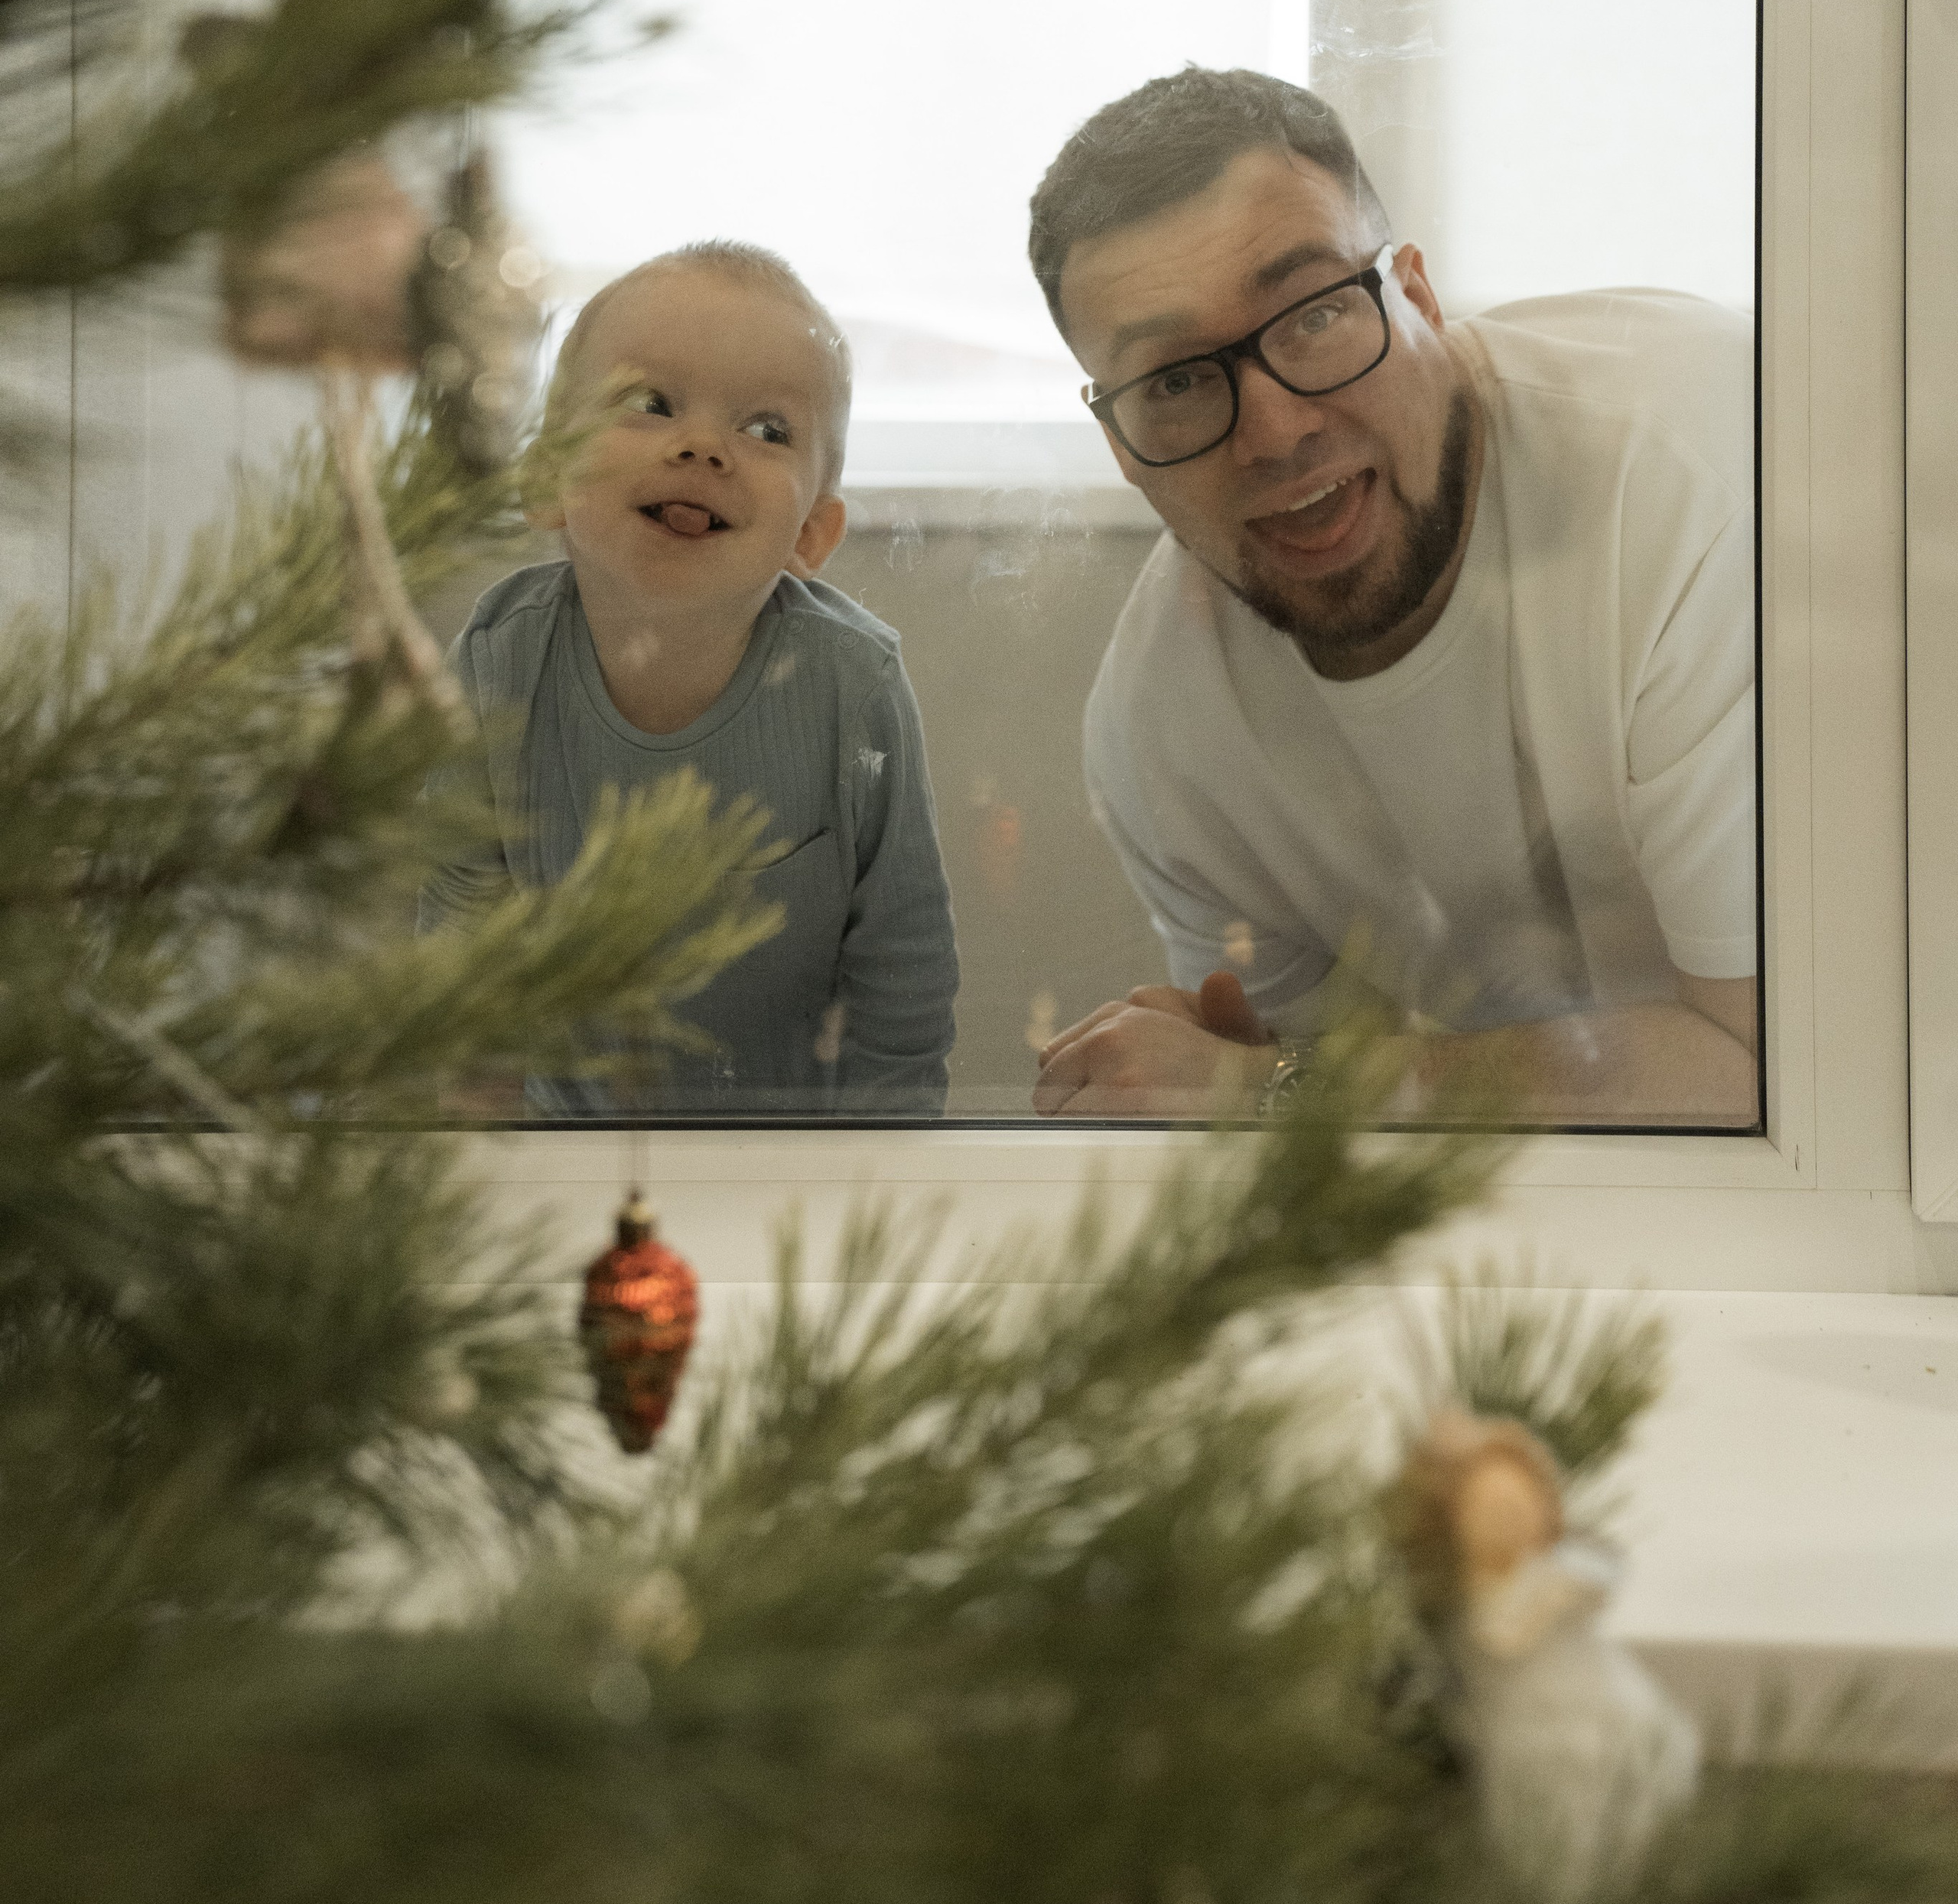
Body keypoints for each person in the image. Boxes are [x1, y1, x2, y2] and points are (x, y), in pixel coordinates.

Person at [1024, 69, 1757, 1128]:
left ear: (1416, 297)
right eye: (1177, 382)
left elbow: (1773, 1070)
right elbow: (1344, 1127)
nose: (1275, 432)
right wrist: (1269, 1080)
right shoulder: (1160, 733)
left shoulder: (1689, 474)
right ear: (1120, 446)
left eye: (1315, 315)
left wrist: (1274, 1088)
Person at [421, 241, 959, 1115]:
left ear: (811, 538)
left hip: (789, 1152)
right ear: (545, 477)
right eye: (650, 403)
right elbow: (461, 946)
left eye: (766, 430)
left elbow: (901, 978)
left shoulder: (852, 687)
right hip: (566, 1146)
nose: (704, 446)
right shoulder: (500, 659)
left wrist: (878, 1171)